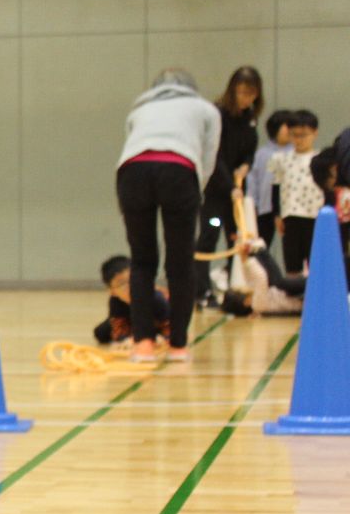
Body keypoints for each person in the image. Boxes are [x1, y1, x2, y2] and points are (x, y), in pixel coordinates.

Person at [115, 69, 220, 362]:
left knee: (142, 260)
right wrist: (193, 192)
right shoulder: (205, 109)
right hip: (180, 170)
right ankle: (178, 345)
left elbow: (132, 146)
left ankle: (143, 344)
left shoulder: (140, 107)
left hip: (131, 173)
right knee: (180, 261)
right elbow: (208, 157)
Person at [192, 66, 261, 307]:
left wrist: (246, 166)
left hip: (237, 191)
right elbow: (214, 155)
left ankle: (235, 291)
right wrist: (229, 186)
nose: (246, 98)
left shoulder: (250, 118)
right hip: (216, 191)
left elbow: (250, 150)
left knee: (237, 239)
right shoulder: (218, 114)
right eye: (242, 92)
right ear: (233, 90)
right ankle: (201, 292)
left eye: (251, 94)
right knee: (209, 237)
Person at [274, 109, 322, 274]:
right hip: (291, 215)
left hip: (315, 215)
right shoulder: (280, 158)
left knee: (315, 260)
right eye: (294, 135)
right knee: (292, 261)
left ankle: (314, 297)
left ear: (315, 133)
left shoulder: (320, 158)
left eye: (304, 135)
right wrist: (277, 214)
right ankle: (293, 297)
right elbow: (276, 187)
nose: (299, 139)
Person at [94, 255, 169, 345]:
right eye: (121, 283)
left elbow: (170, 325)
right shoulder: (115, 301)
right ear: (112, 291)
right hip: (133, 322)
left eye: (132, 280)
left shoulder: (156, 297)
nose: (130, 286)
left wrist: (163, 338)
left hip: (158, 322)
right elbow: (119, 329)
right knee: (101, 332)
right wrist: (125, 340)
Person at [248, 109, 292, 248]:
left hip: (290, 206)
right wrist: (252, 202)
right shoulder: (262, 153)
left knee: (291, 245)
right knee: (262, 243)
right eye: (286, 127)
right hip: (266, 205)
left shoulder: (295, 152)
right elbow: (253, 179)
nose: (289, 131)